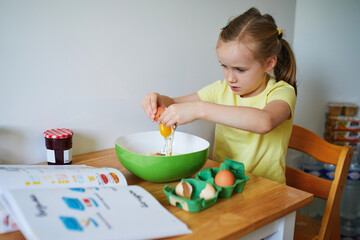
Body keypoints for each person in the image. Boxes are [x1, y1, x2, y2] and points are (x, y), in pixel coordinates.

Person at [142, 7, 297, 184]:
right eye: (224, 66)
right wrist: (158, 100)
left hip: (267, 191)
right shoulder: (220, 89)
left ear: (269, 63)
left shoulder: (281, 91)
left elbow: (265, 121)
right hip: (222, 187)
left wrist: (201, 109)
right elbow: (173, 104)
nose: (230, 78)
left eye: (240, 69)